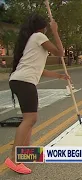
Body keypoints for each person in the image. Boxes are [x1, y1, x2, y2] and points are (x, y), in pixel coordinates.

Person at [5, 13, 69, 174]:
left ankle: (24, 154)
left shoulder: (34, 39)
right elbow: (60, 53)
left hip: (21, 80)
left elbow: (38, 69)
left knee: (31, 119)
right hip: (24, 81)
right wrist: (56, 31)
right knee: (30, 119)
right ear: (44, 27)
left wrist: (59, 75)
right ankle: (14, 159)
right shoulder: (39, 36)